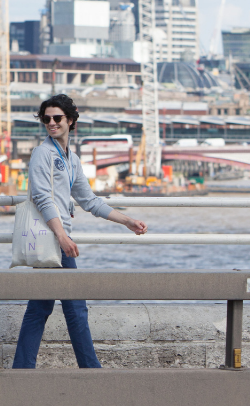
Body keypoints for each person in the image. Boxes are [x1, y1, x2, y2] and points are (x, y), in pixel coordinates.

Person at [12, 94, 148, 369]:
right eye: (46, 118)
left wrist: (126, 221)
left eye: (57, 118)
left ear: (70, 121)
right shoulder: (43, 153)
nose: (51, 123)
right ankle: (90, 370)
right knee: (73, 307)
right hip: (54, 239)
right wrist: (62, 236)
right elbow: (41, 196)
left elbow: (89, 201)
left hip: (58, 240)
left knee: (42, 307)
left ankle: (23, 369)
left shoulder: (70, 159)